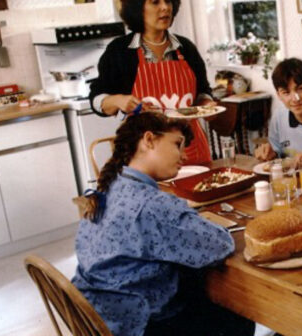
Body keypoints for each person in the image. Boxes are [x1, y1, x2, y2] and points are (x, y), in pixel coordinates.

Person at [71, 112, 253, 336]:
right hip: (139, 325)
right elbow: (220, 244)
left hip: (99, 316)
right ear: (149, 140)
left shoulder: (109, 187)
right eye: (177, 144)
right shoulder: (151, 205)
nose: (184, 156)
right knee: (238, 315)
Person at [89, 0, 215, 165]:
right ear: (138, 8)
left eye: (168, 0)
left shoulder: (185, 48)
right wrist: (117, 100)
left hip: (190, 150)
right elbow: (97, 100)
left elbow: (202, 91)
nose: (165, 7)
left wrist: (206, 102)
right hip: (145, 158)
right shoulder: (120, 51)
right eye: (155, 1)